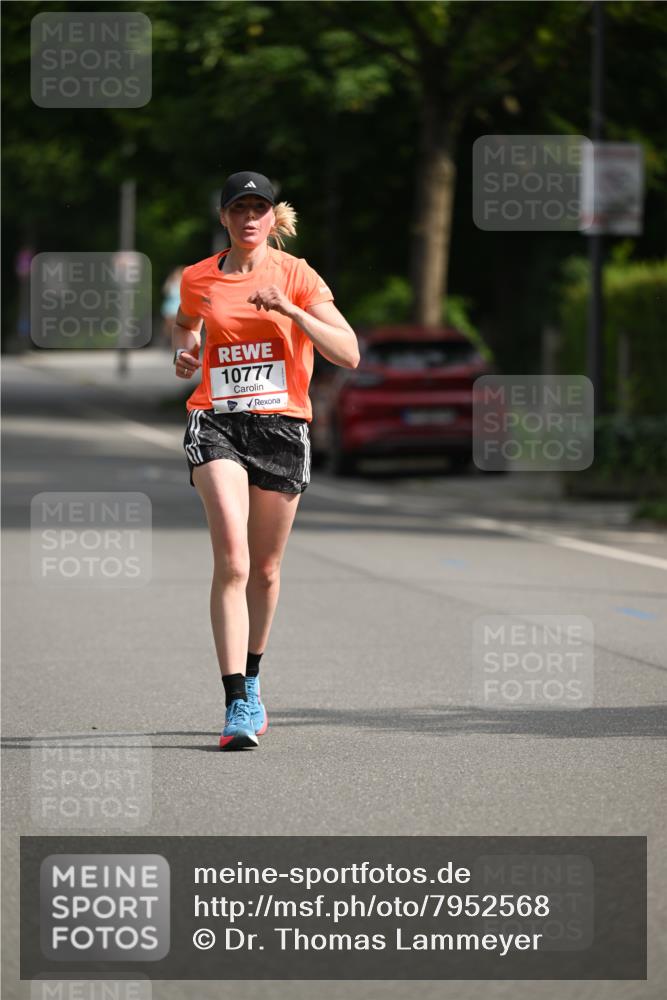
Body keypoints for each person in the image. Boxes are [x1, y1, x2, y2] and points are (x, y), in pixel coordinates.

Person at [172, 171, 359, 751]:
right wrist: (186, 351)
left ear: (273, 218)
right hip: (217, 420)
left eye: (259, 208)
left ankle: (253, 681)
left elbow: (348, 352)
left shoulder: (297, 274)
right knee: (233, 557)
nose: (249, 217)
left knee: (266, 569)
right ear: (224, 217)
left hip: (283, 426)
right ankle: (234, 704)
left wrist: (293, 312)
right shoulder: (199, 276)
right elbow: (184, 325)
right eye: (238, 208)